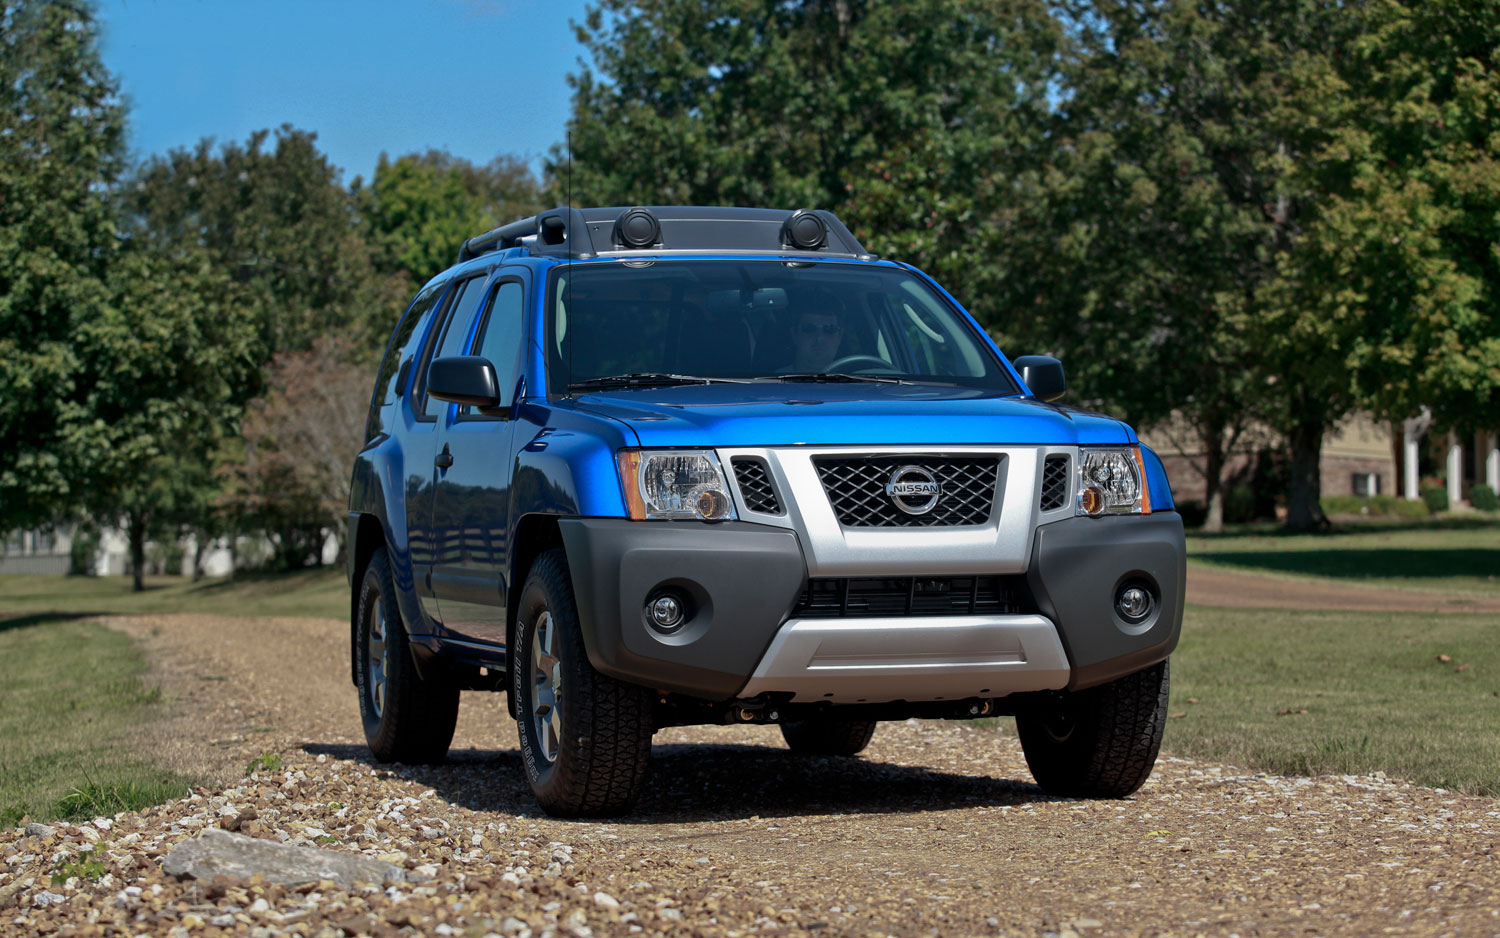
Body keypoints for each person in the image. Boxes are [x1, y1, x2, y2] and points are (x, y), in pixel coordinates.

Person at [780, 289, 845, 373]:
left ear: (840, 336)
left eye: (829, 329)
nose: (819, 338)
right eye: (809, 329)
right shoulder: (769, 384)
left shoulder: (859, 382)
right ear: (794, 334)